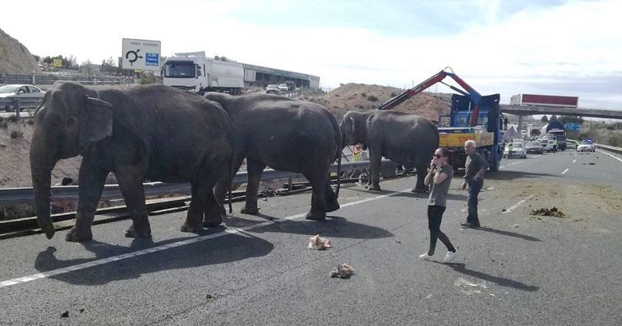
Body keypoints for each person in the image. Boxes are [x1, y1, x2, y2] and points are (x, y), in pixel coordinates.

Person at [419, 147, 458, 263]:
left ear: (445, 158)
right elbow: (426, 182)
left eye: (438, 156)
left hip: (439, 203)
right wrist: (431, 170)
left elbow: (438, 181)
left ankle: (452, 250)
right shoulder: (436, 169)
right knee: (432, 228)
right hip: (431, 201)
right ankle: (430, 252)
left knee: (435, 229)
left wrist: (439, 168)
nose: (435, 158)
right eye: (434, 156)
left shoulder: (448, 169)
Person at [461, 140, 489, 228]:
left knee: (471, 201)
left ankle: (471, 220)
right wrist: (464, 182)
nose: (466, 149)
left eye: (468, 147)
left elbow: (486, 165)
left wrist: (477, 175)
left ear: (474, 148)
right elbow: (467, 171)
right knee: (472, 201)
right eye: (465, 147)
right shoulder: (468, 157)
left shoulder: (477, 156)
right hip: (470, 181)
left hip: (476, 182)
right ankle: (475, 221)